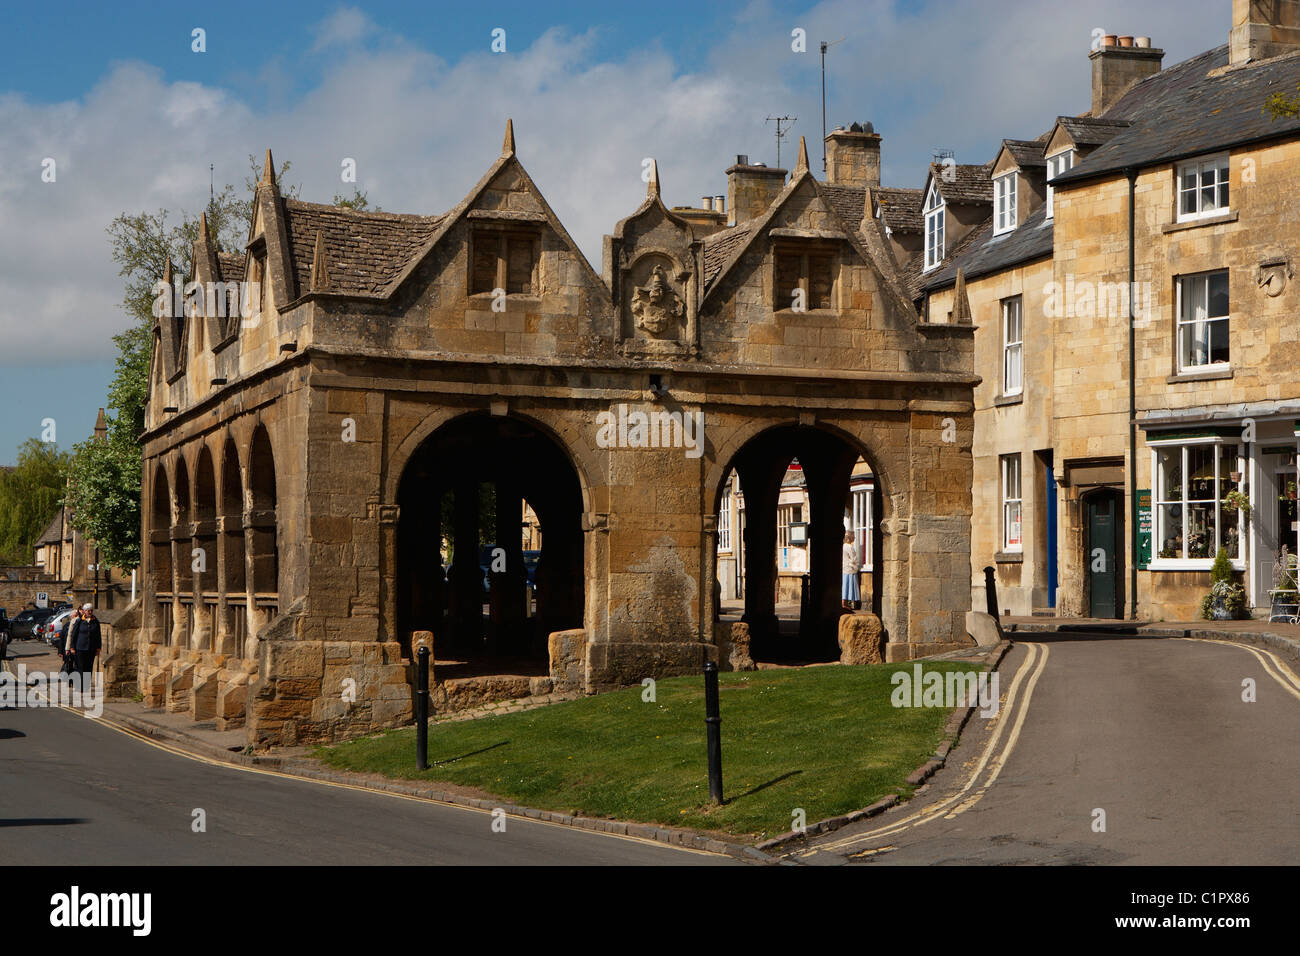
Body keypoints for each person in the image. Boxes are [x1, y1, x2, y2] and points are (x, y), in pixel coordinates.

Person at [67, 604, 101, 688]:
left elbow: (98, 635)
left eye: (91, 610)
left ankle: (86, 686)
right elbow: (74, 634)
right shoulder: (79, 621)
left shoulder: (95, 621)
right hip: (80, 648)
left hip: (91, 648)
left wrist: (98, 648)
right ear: (84, 611)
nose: (90, 612)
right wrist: (72, 647)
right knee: (81, 667)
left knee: (89, 668)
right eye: (88, 610)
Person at [842, 530, 861, 611]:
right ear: (850, 538)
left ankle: (845, 603)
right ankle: (846, 604)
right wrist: (857, 565)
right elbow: (854, 558)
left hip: (844, 569)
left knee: (845, 587)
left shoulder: (843, 546)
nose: (854, 538)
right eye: (853, 536)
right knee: (850, 588)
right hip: (850, 569)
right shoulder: (849, 547)